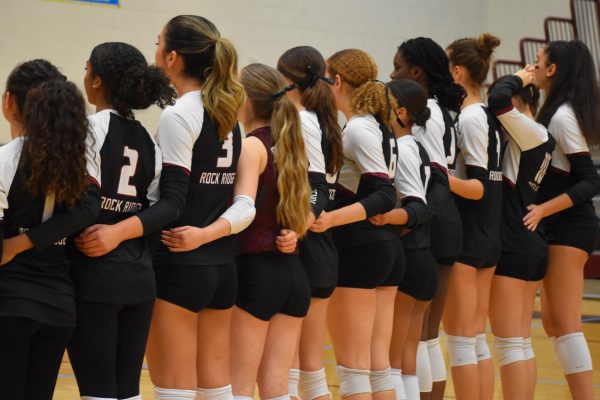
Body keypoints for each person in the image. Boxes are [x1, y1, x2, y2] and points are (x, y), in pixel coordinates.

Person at [66, 42, 175, 400]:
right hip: (139, 279)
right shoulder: (149, 140)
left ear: (96, 81)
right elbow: (156, 208)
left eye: (86, 69)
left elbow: (78, 205)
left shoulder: (88, 129)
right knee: (128, 390)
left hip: (94, 276)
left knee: (97, 390)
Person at [0, 60, 101, 400]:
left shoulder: (7, 158)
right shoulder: (76, 160)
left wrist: (16, 244)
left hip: (10, 304)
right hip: (59, 305)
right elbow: (90, 207)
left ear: (9, 101)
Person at [310, 49, 399, 400]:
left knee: (354, 371)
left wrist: (330, 217)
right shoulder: (374, 124)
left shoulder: (360, 127)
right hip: (380, 246)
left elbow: (384, 195)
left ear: (338, 81)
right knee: (377, 369)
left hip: (360, 247)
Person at [229, 62, 312, 400]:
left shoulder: (251, 146)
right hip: (293, 274)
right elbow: (306, 211)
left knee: (239, 387)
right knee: (278, 389)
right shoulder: (289, 143)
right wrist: (295, 234)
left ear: (244, 99)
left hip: (256, 271)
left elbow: (244, 211)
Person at [389, 37, 465, 400]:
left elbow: (437, 180)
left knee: (421, 336)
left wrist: (415, 218)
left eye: (398, 66)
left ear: (415, 71)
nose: (392, 73)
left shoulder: (428, 114)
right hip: (441, 220)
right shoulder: (438, 110)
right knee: (425, 336)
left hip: (434, 223)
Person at [527, 40, 600, 400]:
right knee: (555, 324)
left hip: (571, 226)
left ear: (553, 69)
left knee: (567, 324)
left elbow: (590, 180)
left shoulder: (563, 115)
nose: (534, 65)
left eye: (539, 61)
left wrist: (542, 210)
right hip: (560, 226)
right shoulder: (555, 111)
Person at [276, 46, 344, 400]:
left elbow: (317, 187)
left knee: (289, 370)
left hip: (305, 249)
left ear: (289, 81)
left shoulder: (301, 119)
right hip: (318, 249)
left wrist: (299, 227)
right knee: (308, 369)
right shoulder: (322, 119)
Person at [487, 70, 554, 400]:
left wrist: (519, 76)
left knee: (510, 343)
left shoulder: (530, 131)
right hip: (530, 241)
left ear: (518, 102)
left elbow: (497, 99)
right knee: (521, 341)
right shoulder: (537, 134)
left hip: (515, 241)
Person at [444, 33, 503, 400]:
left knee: (463, 340)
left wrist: (440, 177)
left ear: (458, 71)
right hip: (488, 231)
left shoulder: (470, 118)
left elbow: (479, 186)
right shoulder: (490, 116)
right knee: (475, 338)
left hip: (471, 233)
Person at [369, 79, 435, 400]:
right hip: (422, 257)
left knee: (392, 361)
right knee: (407, 354)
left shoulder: (404, 147)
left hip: (410, 255)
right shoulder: (417, 147)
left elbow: (416, 206)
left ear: (402, 113)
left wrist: (384, 217)